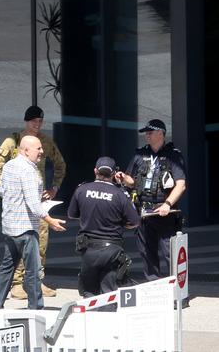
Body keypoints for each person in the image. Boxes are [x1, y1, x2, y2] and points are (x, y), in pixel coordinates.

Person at [0, 105, 66, 299]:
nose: (37, 125)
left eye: (40, 122)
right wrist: (5, 192)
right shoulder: (13, 141)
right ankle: (17, 283)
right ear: (26, 122)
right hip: (19, 206)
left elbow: (60, 164)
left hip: (38, 201)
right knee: (20, 243)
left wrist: (54, 188)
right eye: (33, 122)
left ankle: (37, 280)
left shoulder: (45, 142)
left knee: (40, 243)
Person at [115, 119, 187, 281]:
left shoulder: (173, 155)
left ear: (161, 133)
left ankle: (178, 293)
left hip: (165, 213)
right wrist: (123, 178)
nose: (146, 136)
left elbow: (181, 185)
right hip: (143, 212)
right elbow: (132, 181)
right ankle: (154, 289)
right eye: (145, 133)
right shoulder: (140, 154)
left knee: (171, 254)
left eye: (150, 132)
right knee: (147, 253)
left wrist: (168, 204)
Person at [68, 157, 140, 303]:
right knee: (109, 295)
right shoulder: (120, 195)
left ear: (95, 171)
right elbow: (134, 222)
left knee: (89, 294)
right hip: (112, 251)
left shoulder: (82, 190)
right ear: (114, 174)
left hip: (88, 250)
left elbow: (72, 214)